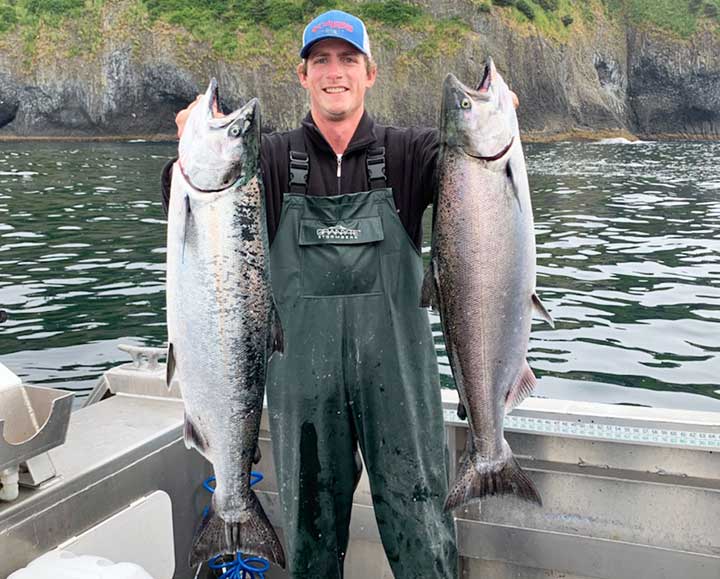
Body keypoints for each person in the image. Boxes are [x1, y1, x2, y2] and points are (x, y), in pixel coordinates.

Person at [163, 9, 521, 578]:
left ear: (369, 73)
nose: (336, 73)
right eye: (321, 61)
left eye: (348, 60)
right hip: (302, 393)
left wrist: (497, 128)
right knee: (310, 545)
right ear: (302, 75)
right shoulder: (271, 161)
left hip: (401, 386)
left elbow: (478, 192)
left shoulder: (412, 153)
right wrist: (185, 155)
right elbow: (203, 229)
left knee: (425, 535)